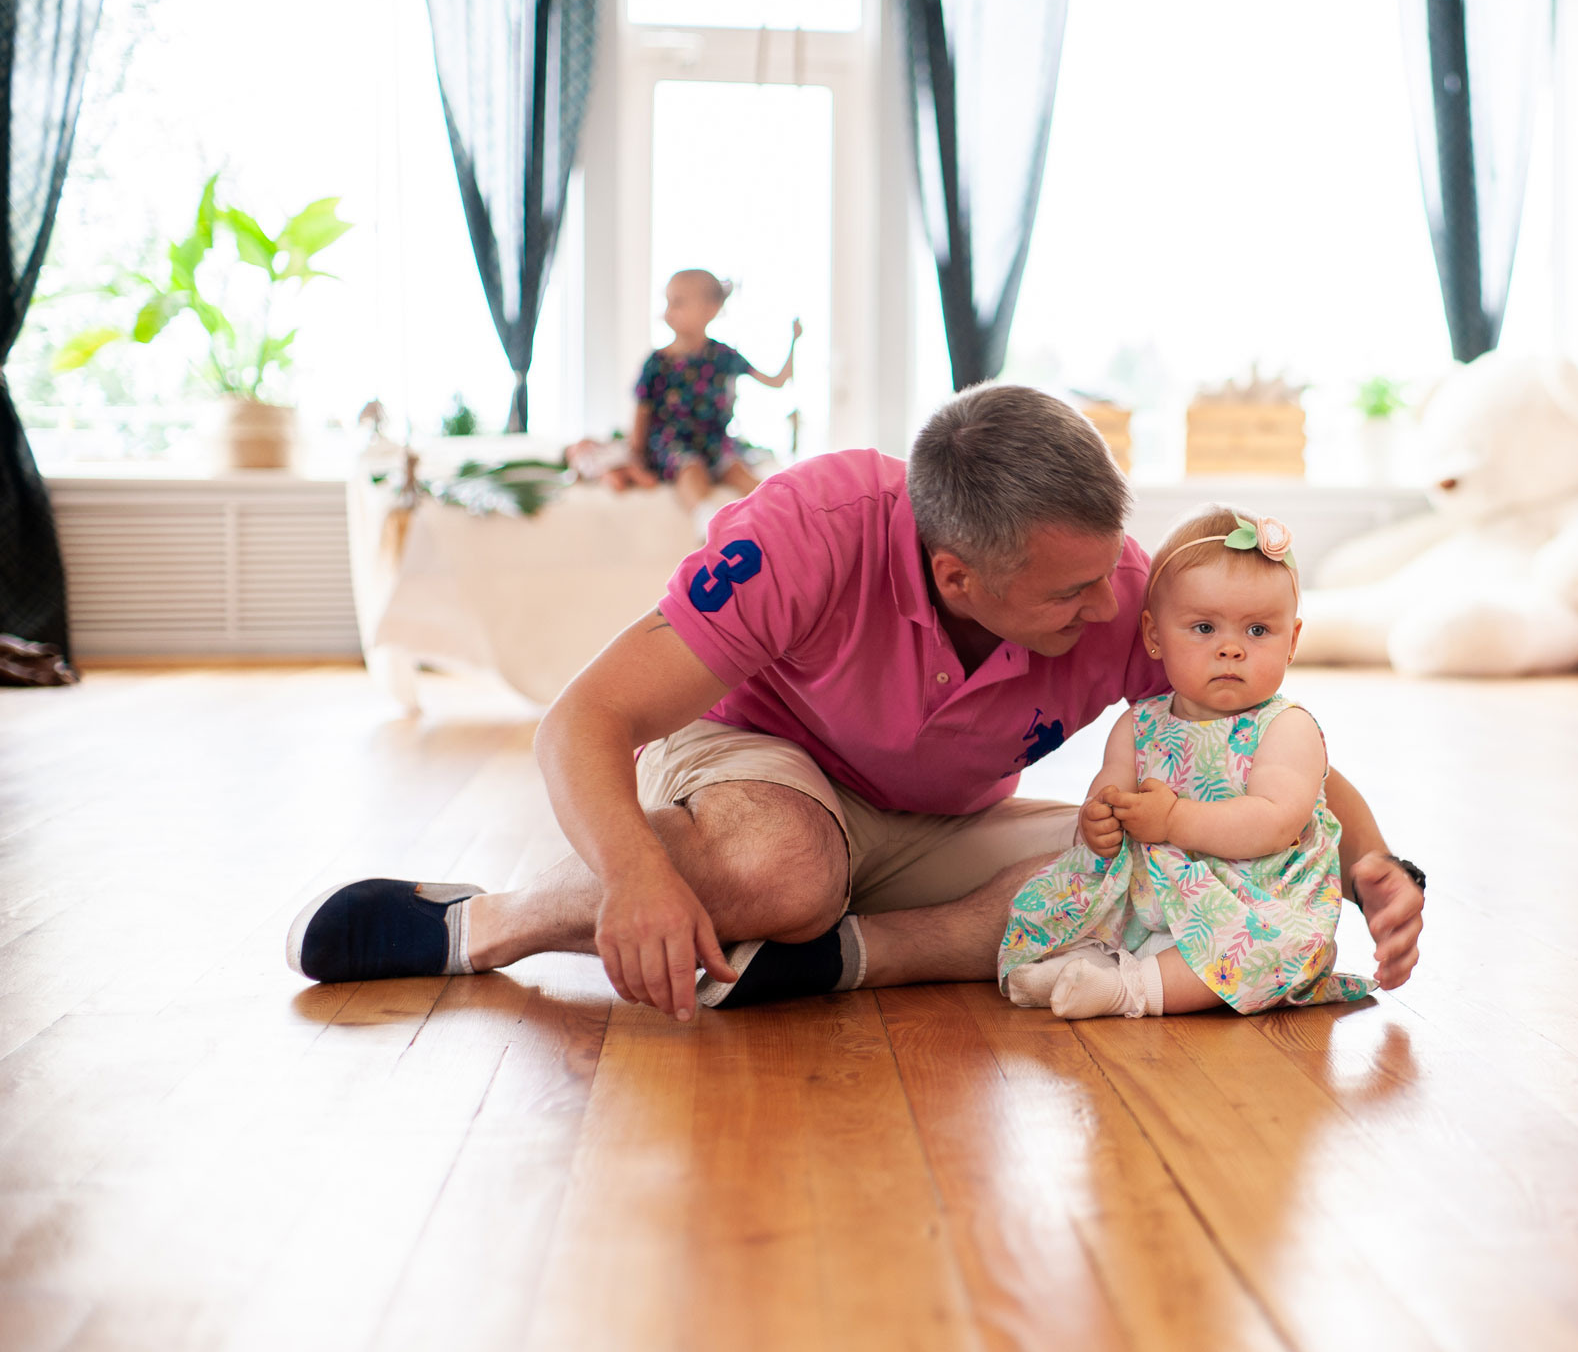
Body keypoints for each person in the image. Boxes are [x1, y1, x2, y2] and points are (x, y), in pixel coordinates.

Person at [286, 385, 1425, 1020]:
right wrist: (635, 877)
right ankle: (486, 924)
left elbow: (1256, 747)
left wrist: (1364, 861)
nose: (1108, 605)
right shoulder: (808, 533)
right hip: (758, 765)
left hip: (936, 815)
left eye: (1108, 570)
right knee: (788, 870)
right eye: (1070, 590)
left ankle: (830, 961)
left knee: (1128, 873)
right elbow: (579, 721)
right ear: (955, 576)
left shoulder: (1118, 588)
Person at [1000, 505, 1369, 1019]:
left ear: (1293, 641)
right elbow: (1108, 790)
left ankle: (1129, 990)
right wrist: (1099, 818)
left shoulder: (1287, 728)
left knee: (1270, 952)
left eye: (1258, 631)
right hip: (1155, 890)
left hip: (1253, 902)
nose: (1231, 650)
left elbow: (1274, 822)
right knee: (1069, 895)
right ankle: (1077, 961)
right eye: (1203, 628)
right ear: (1154, 635)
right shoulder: (1139, 724)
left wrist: (1174, 819)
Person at [601, 268, 802, 513]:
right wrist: (636, 457)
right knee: (690, 470)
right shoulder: (657, 362)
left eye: (678, 303)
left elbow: (777, 381)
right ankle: (705, 519)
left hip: (715, 441)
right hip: (671, 443)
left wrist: (794, 343)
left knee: (739, 471)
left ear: (711, 309)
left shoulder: (723, 355)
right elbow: (642, 413)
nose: (669, 311)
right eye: (668, 302)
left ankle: (782, 512)